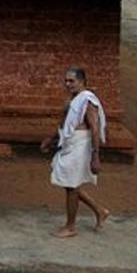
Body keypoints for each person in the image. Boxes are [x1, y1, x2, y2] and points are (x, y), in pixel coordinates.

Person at [41, 66, 109, 238]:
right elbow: (64, 125)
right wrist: (51, 139)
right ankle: (99, 210)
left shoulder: (87, 100)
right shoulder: (71, 100)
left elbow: (94, 129)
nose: (68, 84)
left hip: (81, 145)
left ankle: (70, 227)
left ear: (82, 82)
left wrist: (95, 155)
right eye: (66, 80)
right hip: (69, 143)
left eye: (72, 81)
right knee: (70, 184)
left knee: (71, 186)